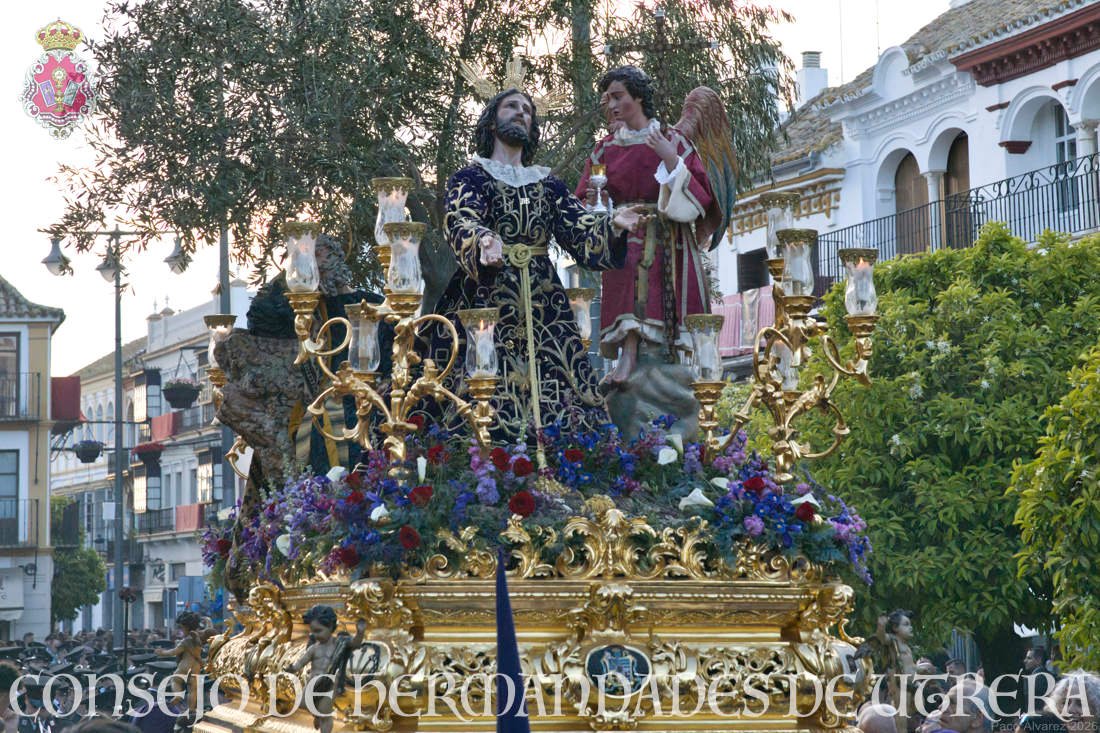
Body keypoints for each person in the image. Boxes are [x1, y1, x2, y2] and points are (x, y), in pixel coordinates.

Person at [424, 87, 644, 443]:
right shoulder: (471, 177)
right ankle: (476, 460)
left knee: (562, 384)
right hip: (487, 296)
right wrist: (483, 240)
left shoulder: (548, 184)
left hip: (544, 302)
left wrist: (612, 224)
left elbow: (577, 225)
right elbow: (461, 217)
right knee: (476, 381)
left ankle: (571, 459)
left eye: (527, 109)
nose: (521, 113)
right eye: (511, 106)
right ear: (492, 120)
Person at [576, 66, 731, 388]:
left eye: (618, 96)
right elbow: (585, 199)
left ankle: (666, 367)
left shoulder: (673, 141)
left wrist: (670, 159)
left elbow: (702, 197)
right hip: (625, 233)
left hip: (668, 237)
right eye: (608, 99)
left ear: (639, 97)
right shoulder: (604, 148)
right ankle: (627, 356)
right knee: (630, 266)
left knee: (653, 282)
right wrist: (594, 199)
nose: (612, 105)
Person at [287, 605, 367, 733]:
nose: (315, 635)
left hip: (330, 683)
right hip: (313, 682)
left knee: (325, 711)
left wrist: (360, 633)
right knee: (303, 705)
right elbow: (302, 661)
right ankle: (317, 714)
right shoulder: (314, 648)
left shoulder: (339, 644)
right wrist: (293, 668)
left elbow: (355, 644)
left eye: (318, 630)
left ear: (330, 627)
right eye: (312, 631)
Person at [154, 611, 216, 720]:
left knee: (175, 680)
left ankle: (178, 695)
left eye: (181, 628)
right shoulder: (201, 637)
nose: (181, 630)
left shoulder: (185, 641)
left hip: (184, 665)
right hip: (196, 667)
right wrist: (207, 620)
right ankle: (191, 709)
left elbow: (173, 652)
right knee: (193, 689)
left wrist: (161, 652)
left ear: (185, 627)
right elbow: (210, 629)